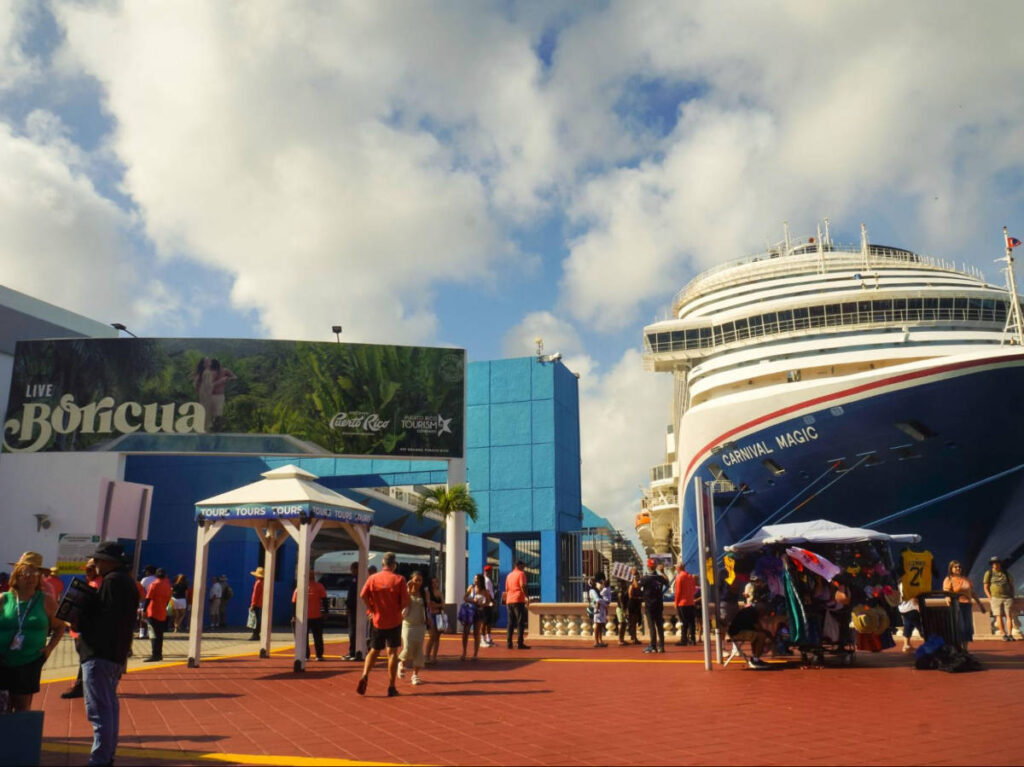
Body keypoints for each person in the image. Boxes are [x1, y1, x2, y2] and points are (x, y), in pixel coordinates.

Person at [75, 541, 138, 766]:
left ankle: (100, 758)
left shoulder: (111, 582)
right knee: (109, 707)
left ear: (109, 562)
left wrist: (82, 611)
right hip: (114, 654)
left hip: (99, 652)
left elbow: (104, 619)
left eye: (98, 560)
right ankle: (106, 754)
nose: (95, 563)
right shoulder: (127, 582)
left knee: (99, 711)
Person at [0, 552, 65, 712]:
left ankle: (20, 737)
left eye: (35, 575)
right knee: (3, 706)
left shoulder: (46, 600)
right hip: (2, 661)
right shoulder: (4, 599)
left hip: (29, 662)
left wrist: (49, 648)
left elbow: (60, 626)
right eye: (26, 575)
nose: (30, 579)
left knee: (22, 707)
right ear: (17, 576)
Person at [357, 552, 409, 697]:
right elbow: (405, 601)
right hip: (394, 620)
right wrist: (398, 609)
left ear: (382, 564)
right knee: (392, 652)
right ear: (394, 565)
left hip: (377, 620)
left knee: (373, 650)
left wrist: (371, 608)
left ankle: (365, 675)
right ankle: (391, 686)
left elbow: (363, 595)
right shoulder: (399, 579)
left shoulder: (373, 578)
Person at [62, 559, 104, 699]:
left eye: (90, 569)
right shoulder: (97, 583)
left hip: (83, 630)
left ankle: (81, 687)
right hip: (84, 629)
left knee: (85, 661)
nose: (87, 572)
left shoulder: (95, 585)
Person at [943, 560, 985, 644]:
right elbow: (946, 593)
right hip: (956, 605)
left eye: (959, 567)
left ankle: (965, 649)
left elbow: (972, 593)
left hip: (967, 605)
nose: (958, 568)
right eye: (955, 567)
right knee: (960, 627)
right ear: (951, 569)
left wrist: (980, 604)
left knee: (968, 627)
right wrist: (948, 600)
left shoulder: (966, 579)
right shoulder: (949, 579)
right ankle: (959, 648)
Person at [399, 571, 429, 685]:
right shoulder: (406, 592)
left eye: (420, 580)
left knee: (418, 650)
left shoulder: (423, 593)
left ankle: (415, 675)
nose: (418, 582)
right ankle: (401, 664)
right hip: (408, 624)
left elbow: (428, 606)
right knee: (407, 647)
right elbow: (402, 603)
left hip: (420, 625)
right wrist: (407, 587)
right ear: (411, 579)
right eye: (416, 580)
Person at [292, 570, 328, 661]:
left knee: (304, 637)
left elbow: (294, 603)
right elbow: (325, 600)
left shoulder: (300, 587)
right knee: (318, 636)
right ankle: (319, 655)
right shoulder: (320, 586)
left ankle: (305, 655)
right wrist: (326, 612)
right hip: (317, 616)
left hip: (304, 616)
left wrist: (294, 616)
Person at [639, 559, 669, 654]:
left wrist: (634, 577)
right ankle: (662, 646)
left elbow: (636, 586)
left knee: (652, 626)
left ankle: (653, 645)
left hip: (649, 605)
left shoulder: (646, 578)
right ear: (655, 566)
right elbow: (667, 582)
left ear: (648, 567)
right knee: (659, 626)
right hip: (658, 605)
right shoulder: (659, 577)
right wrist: (663, 572)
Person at [983, 556, 1016, 641]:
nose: (995, 564)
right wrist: (990, 597)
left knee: (1009, 616)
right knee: (999, 616)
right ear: (992, 565)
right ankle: (1004, 634)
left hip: (1007, 597)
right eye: (993, 563)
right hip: (995, 598)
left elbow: (1011, 585)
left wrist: (1012, 595)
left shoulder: (1005, 573)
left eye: (997, 562)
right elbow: (986, 586)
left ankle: (1010, 634)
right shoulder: (989, 573)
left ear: (1000, 563)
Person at [143, 568, 172, 662]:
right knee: (160, 635)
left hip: (153, 612)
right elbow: (168, 600)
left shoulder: (154, 585)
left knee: (153, 634)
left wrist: (144, 610)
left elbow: (148, 598)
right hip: (162, 612)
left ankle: (155, 654)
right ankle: (159, 654)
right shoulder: (168, 586)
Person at [461, 573, 491, 661]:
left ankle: (475, 654)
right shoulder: (471, 588)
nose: (475, 580)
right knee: (465, 632)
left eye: (477, 579)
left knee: (476, 633)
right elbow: (465, 597)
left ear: (481, 580)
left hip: (478, 612)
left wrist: (482, 604)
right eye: (474, 578)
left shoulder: (485, 591)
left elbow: (488, 602)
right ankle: (464, 652)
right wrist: (472, 600)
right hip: (469, 611)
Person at [504, 560, 530, 650]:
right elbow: (523, 585)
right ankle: (520, 643)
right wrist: (526, 596)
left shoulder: (509, 575)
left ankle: (509, 643)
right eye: (523, 565)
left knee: (510, 622)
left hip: (509, 600)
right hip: (518, 599)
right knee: (520, 622)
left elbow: (507, 588)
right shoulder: (521, 574)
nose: (524, 567)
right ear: (519, 565)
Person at [673, 560, 698, 646]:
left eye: (676, 567)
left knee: (684, 622)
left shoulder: (679, 577)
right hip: (690, 602)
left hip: (682, 603)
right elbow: (694, 589)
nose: (675, 568)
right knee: (691, 622)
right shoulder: (690, 576)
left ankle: (684, 639)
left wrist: (676, 603)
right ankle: (693, 639)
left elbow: (678, 592)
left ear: (679, 568)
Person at [897, 580, 924, 652]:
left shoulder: (900, 584)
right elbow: (913, 597)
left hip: (903, 608)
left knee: (908, 625)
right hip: (911, 608)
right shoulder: (909, 583)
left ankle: (906, 645)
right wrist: (917, 606)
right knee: (921, 626)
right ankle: (929, 644)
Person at [424, 575, 444, 664]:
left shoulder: (439, 592)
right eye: (433, 582)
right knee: (432, 636)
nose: (435, 584)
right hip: (431, 616)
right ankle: (427, 656)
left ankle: (434, 657)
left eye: (436, 582)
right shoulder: (428, 592)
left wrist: (435, 605)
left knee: (437, 637)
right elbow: (429, 605)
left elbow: (443, 605)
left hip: (439, 616)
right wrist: (437, 605)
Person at [589, 574, 611, 647]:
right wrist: (605, 604)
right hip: (597, 609)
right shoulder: (592, 591)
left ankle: (600, 640)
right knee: (597, 625)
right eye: (593, 582)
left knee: (601, 625)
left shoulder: (597, 590)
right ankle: (596, 641)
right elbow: (597, 600)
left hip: (601, 608)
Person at [138, 565, 156, 639]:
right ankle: (150, 634)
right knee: (151, 617)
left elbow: (141, 589)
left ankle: (142, 634)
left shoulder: (144, 579)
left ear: (148, 572)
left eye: (146, 571)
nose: (145, 573)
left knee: (142, 617)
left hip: (145, 600)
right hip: (154, 601)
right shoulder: (156, 579)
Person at [481, 565, 496, 646]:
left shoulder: (487, 580)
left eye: (489, 571)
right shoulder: (486, 581)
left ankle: (488, 638)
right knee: (485, 621)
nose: (488, 572)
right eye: (487, 571)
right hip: (487, 603)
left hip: (488, 602)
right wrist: (492, 601)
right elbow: (487, 592)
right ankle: (483, 638)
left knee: (488, 621)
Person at [248, 567, 264, 641]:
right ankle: (257, 634)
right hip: (261, 604)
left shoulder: (258, 583)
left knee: (254, 620)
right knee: (258, 620)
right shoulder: (263, 583)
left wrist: (252, 604)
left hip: (257, 604)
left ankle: (255, 634)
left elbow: (255, 594)